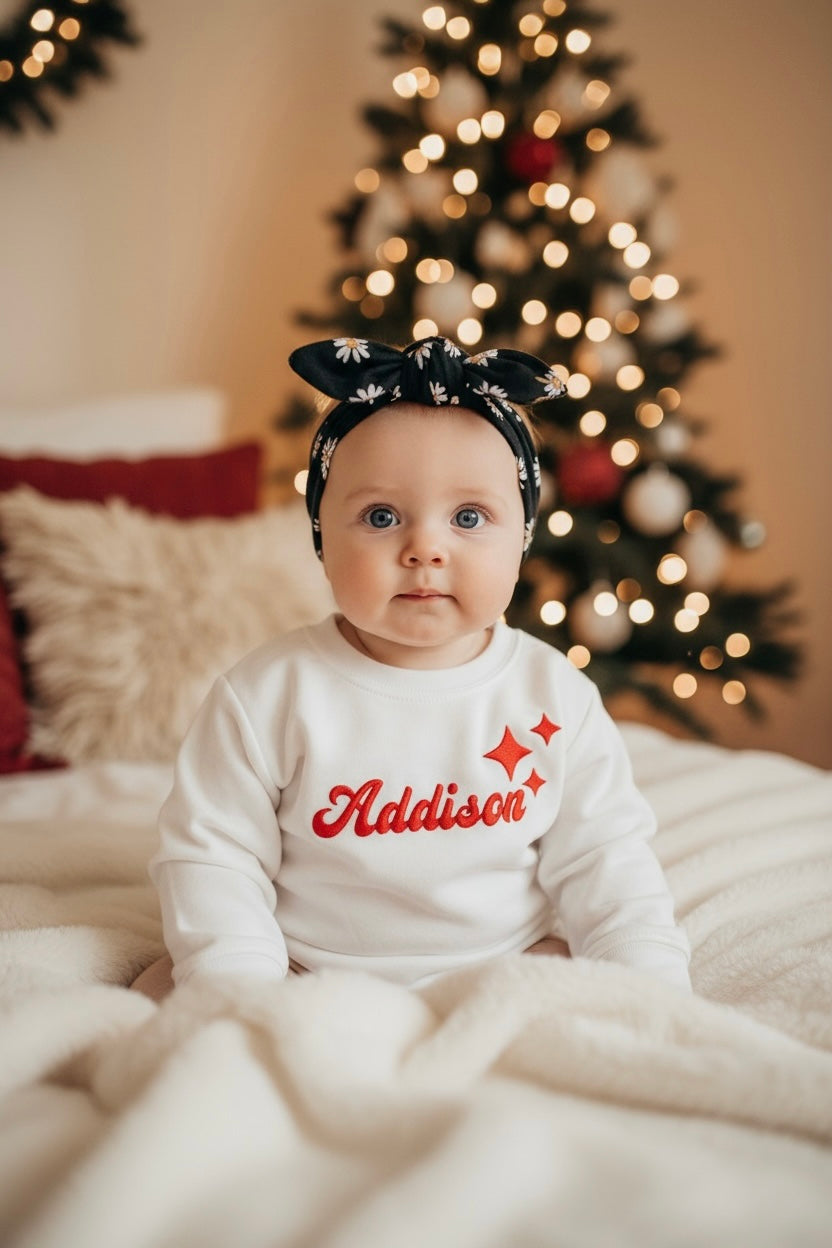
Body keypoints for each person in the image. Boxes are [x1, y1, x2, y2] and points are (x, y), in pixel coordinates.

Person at [143, 335, 691, 1000]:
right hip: (308, 970)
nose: (425, 547)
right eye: (381, 516)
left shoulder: (555, 697)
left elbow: (607, 861)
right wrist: (238, 983)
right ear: (321, 535)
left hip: (508, 963)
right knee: (164, 990)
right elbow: (212, 857)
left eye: (468, 516)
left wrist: (651, 984)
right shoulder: (267, 695)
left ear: (521, 539)